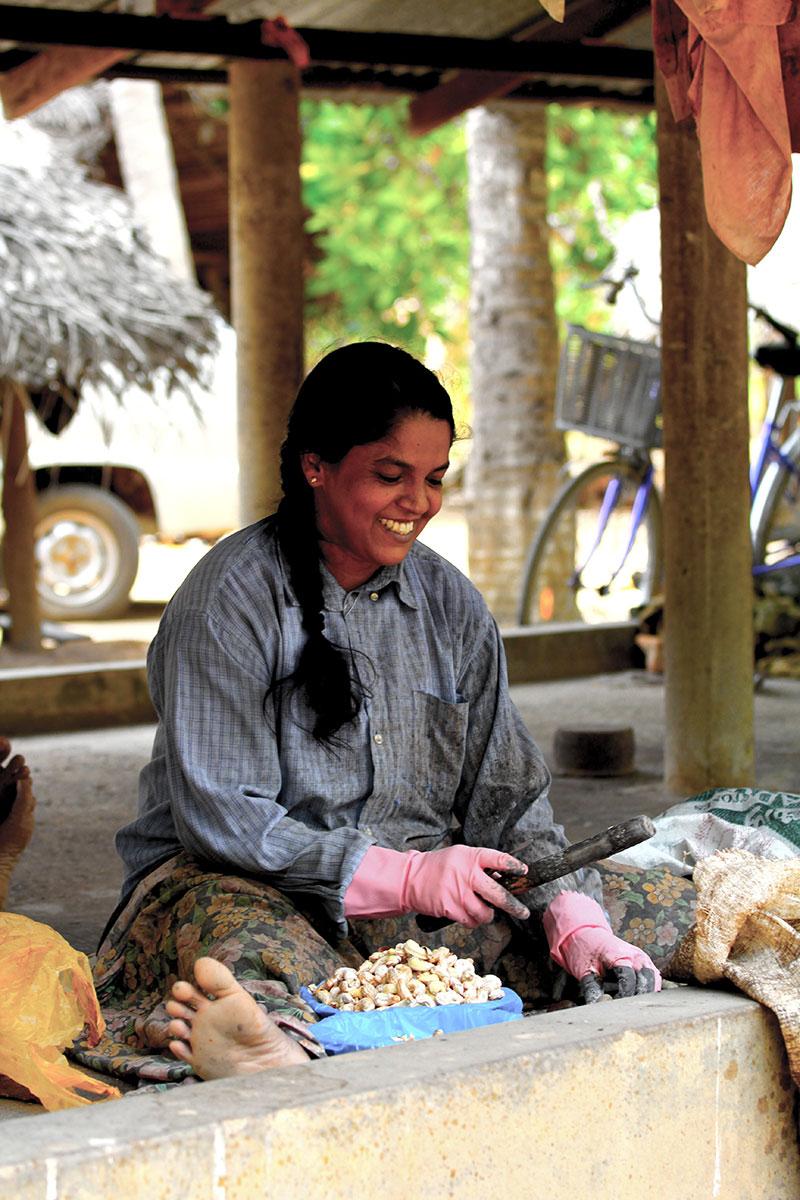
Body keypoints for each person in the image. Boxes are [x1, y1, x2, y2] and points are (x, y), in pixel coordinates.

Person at [91, 342, 661, 1084]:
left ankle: (312, 1022)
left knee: (640, 907)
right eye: (390, 476)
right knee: (233, 940)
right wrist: (403, 875)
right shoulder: (229, 599)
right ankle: (269, 1035)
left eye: (434, 480)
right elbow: (226, 822)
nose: (418, 503)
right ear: (315, 467)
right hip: (254, 886)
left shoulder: (451, 604)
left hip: (411, 908)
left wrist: (570, 919)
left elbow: (508, 798)